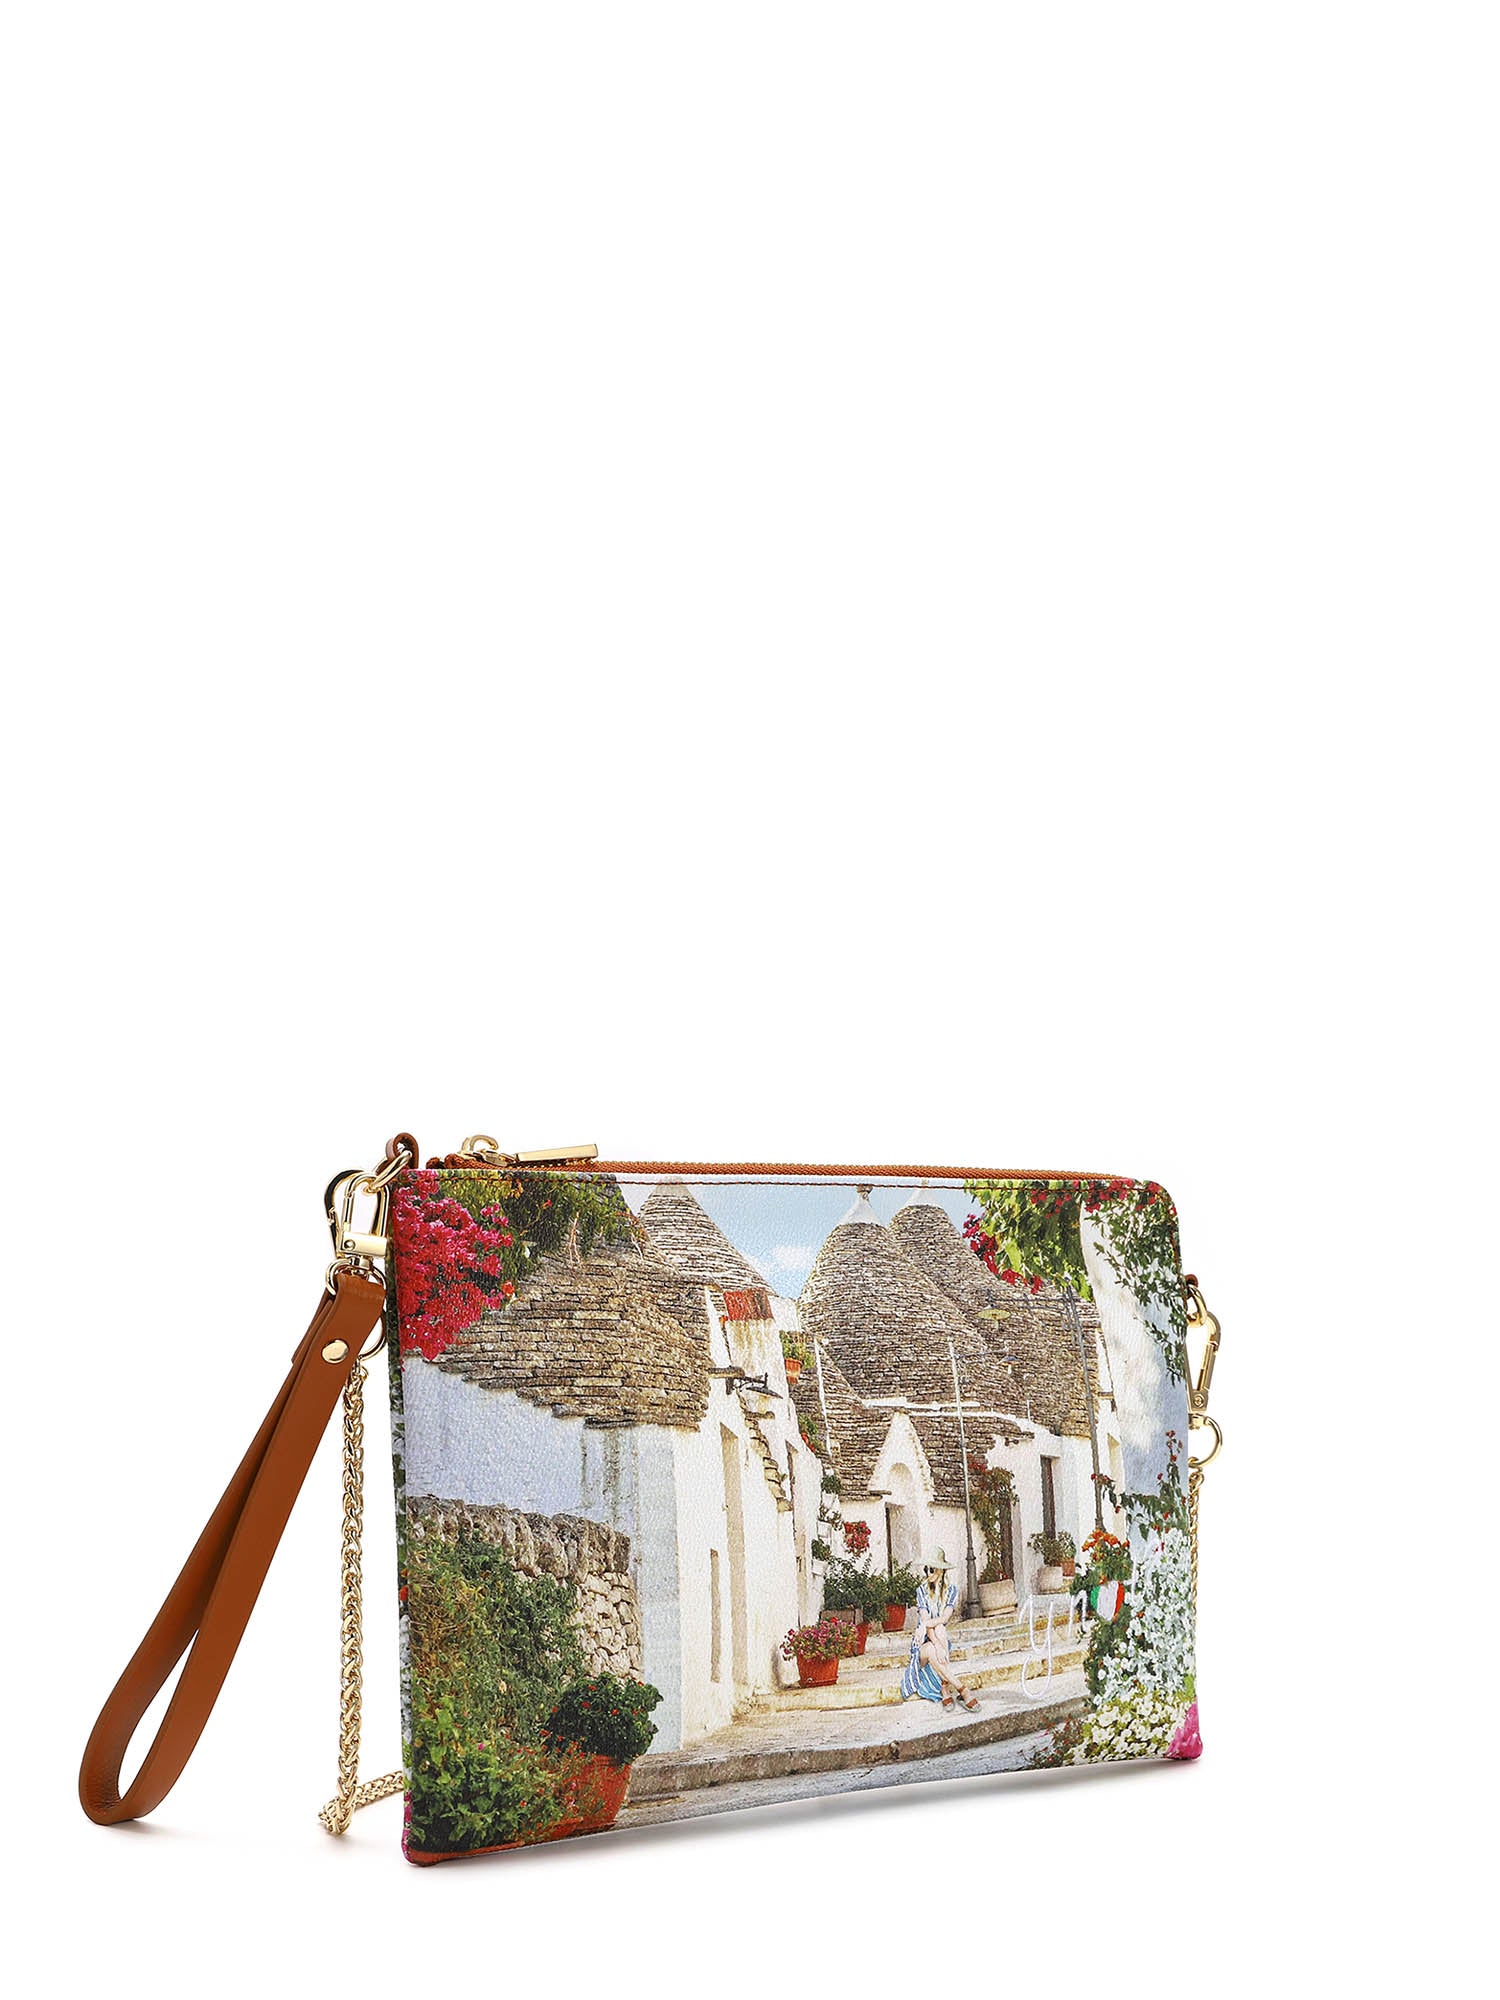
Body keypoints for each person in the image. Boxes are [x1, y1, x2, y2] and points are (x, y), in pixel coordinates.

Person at [899, 1550, 979, 1710]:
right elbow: (925, 1619)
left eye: (931, 1569)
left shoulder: (951, 1590)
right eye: (926, 1569)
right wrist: (932, 1638)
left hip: (939, 1638)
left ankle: (944, 1687)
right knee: (931, 1646)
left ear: (940, 1570)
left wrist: (925, 1625)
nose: (928, 1573)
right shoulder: (921, 1590)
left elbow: (944, 1618)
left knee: (941, 1628)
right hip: (922, 1644)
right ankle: (962, 1689)